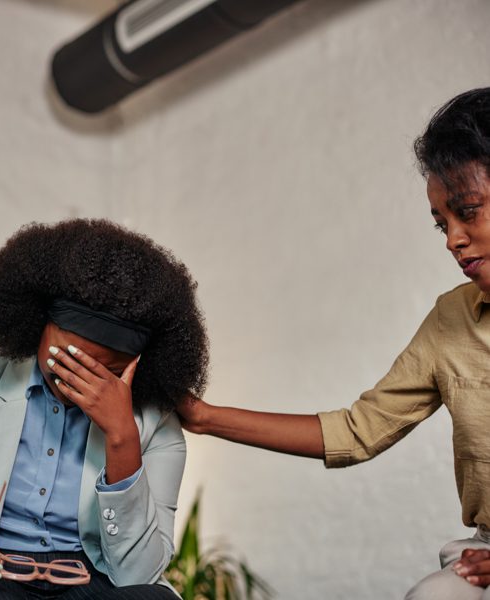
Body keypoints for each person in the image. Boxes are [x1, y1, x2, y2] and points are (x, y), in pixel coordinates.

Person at [177, 87, 490, 599]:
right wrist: (204, 417)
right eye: (441, 224)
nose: (453, 239)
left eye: (469, 212)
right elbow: (358, 430)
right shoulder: (451, 318)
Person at [0, 219, 209, 599]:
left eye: (109, 372)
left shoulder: (156, 419)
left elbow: (137, 573)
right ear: (39, 323)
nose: (79, 381)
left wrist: (122, 437)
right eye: (69, 358)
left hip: (94, 582)